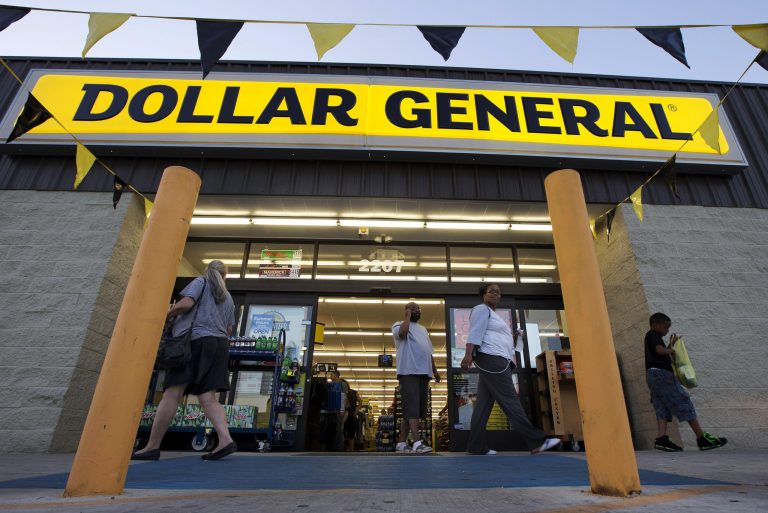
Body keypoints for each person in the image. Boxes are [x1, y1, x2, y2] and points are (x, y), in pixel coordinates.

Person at [132, 260, 237, 461]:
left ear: (208, 271)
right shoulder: (228, 297)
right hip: (219, 346)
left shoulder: (201, 282)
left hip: (195, 343)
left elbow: (187, 303)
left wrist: (166, 315)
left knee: (172, 393)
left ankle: (152, 446)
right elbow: (229, 329)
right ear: (225, 276)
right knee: (208, 398)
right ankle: (225, 439)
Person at [461, 284, 561, 455]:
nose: (495, 293)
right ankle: (536, 441)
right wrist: (468, 353)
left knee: (483, 405)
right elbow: (475, 331)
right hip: (492, 359)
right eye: (491, 291)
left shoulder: (494, 315)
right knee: (510, 399)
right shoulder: (481, 309)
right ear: (483, 295)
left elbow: (493, 335)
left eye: (498, 292)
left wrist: (514, 337)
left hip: (496, 358)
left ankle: (475, 446)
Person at [645, 312, 727, 451]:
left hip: (652, 375)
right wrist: (671, 350)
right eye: (665, 327)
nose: (667, 330)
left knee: (661, 405)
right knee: (682, 399)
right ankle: (701, 438)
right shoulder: (653, 335)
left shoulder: (651, 337)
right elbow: (660, 350)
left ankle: (662, 439)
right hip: (662, 374)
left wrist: (670, 345)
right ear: (655, 325)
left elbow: (658, 350)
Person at [392, 302, 441, 454]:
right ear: (405, 311)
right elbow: (403, 334)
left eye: (417, 308)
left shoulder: (423, 329)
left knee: (415, 410)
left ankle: (401, 444)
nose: (416, 310)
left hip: (424, 373)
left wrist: (435, 371)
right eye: (412, 308)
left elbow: (429, 351)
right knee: (412, 409)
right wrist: (407, 317)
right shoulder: (398, 325)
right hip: (409, 371)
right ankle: (417, 442)